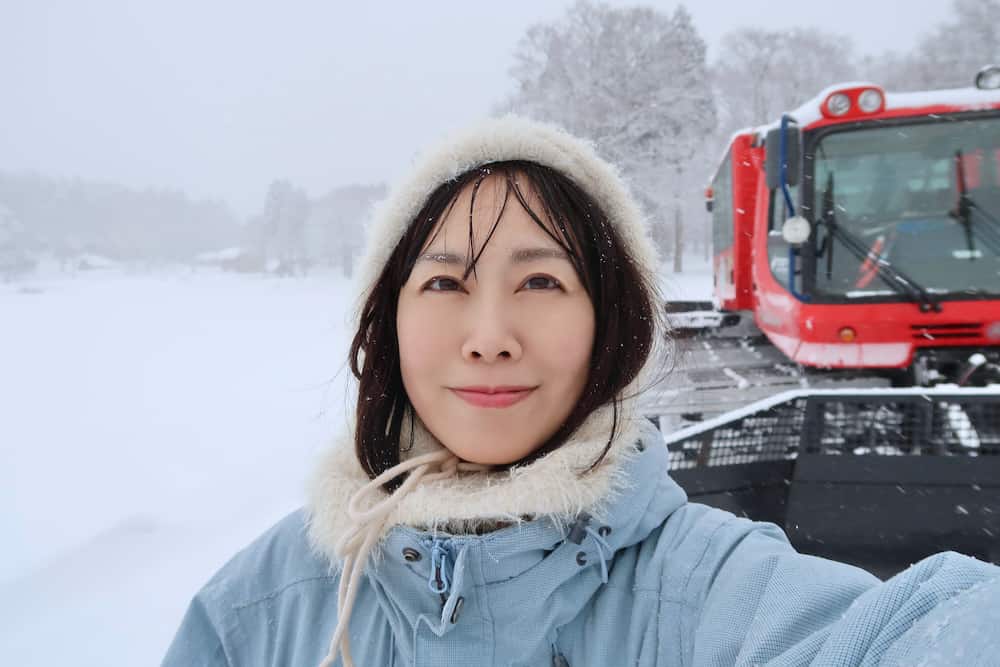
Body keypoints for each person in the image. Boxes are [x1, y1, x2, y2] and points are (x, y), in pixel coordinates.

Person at [163, 116, 1000, 667]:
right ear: (387, 321)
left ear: (612, 325)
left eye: (541, 283)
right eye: (445, 283)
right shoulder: (265, 609)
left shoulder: (699, 586)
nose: (489, 334)